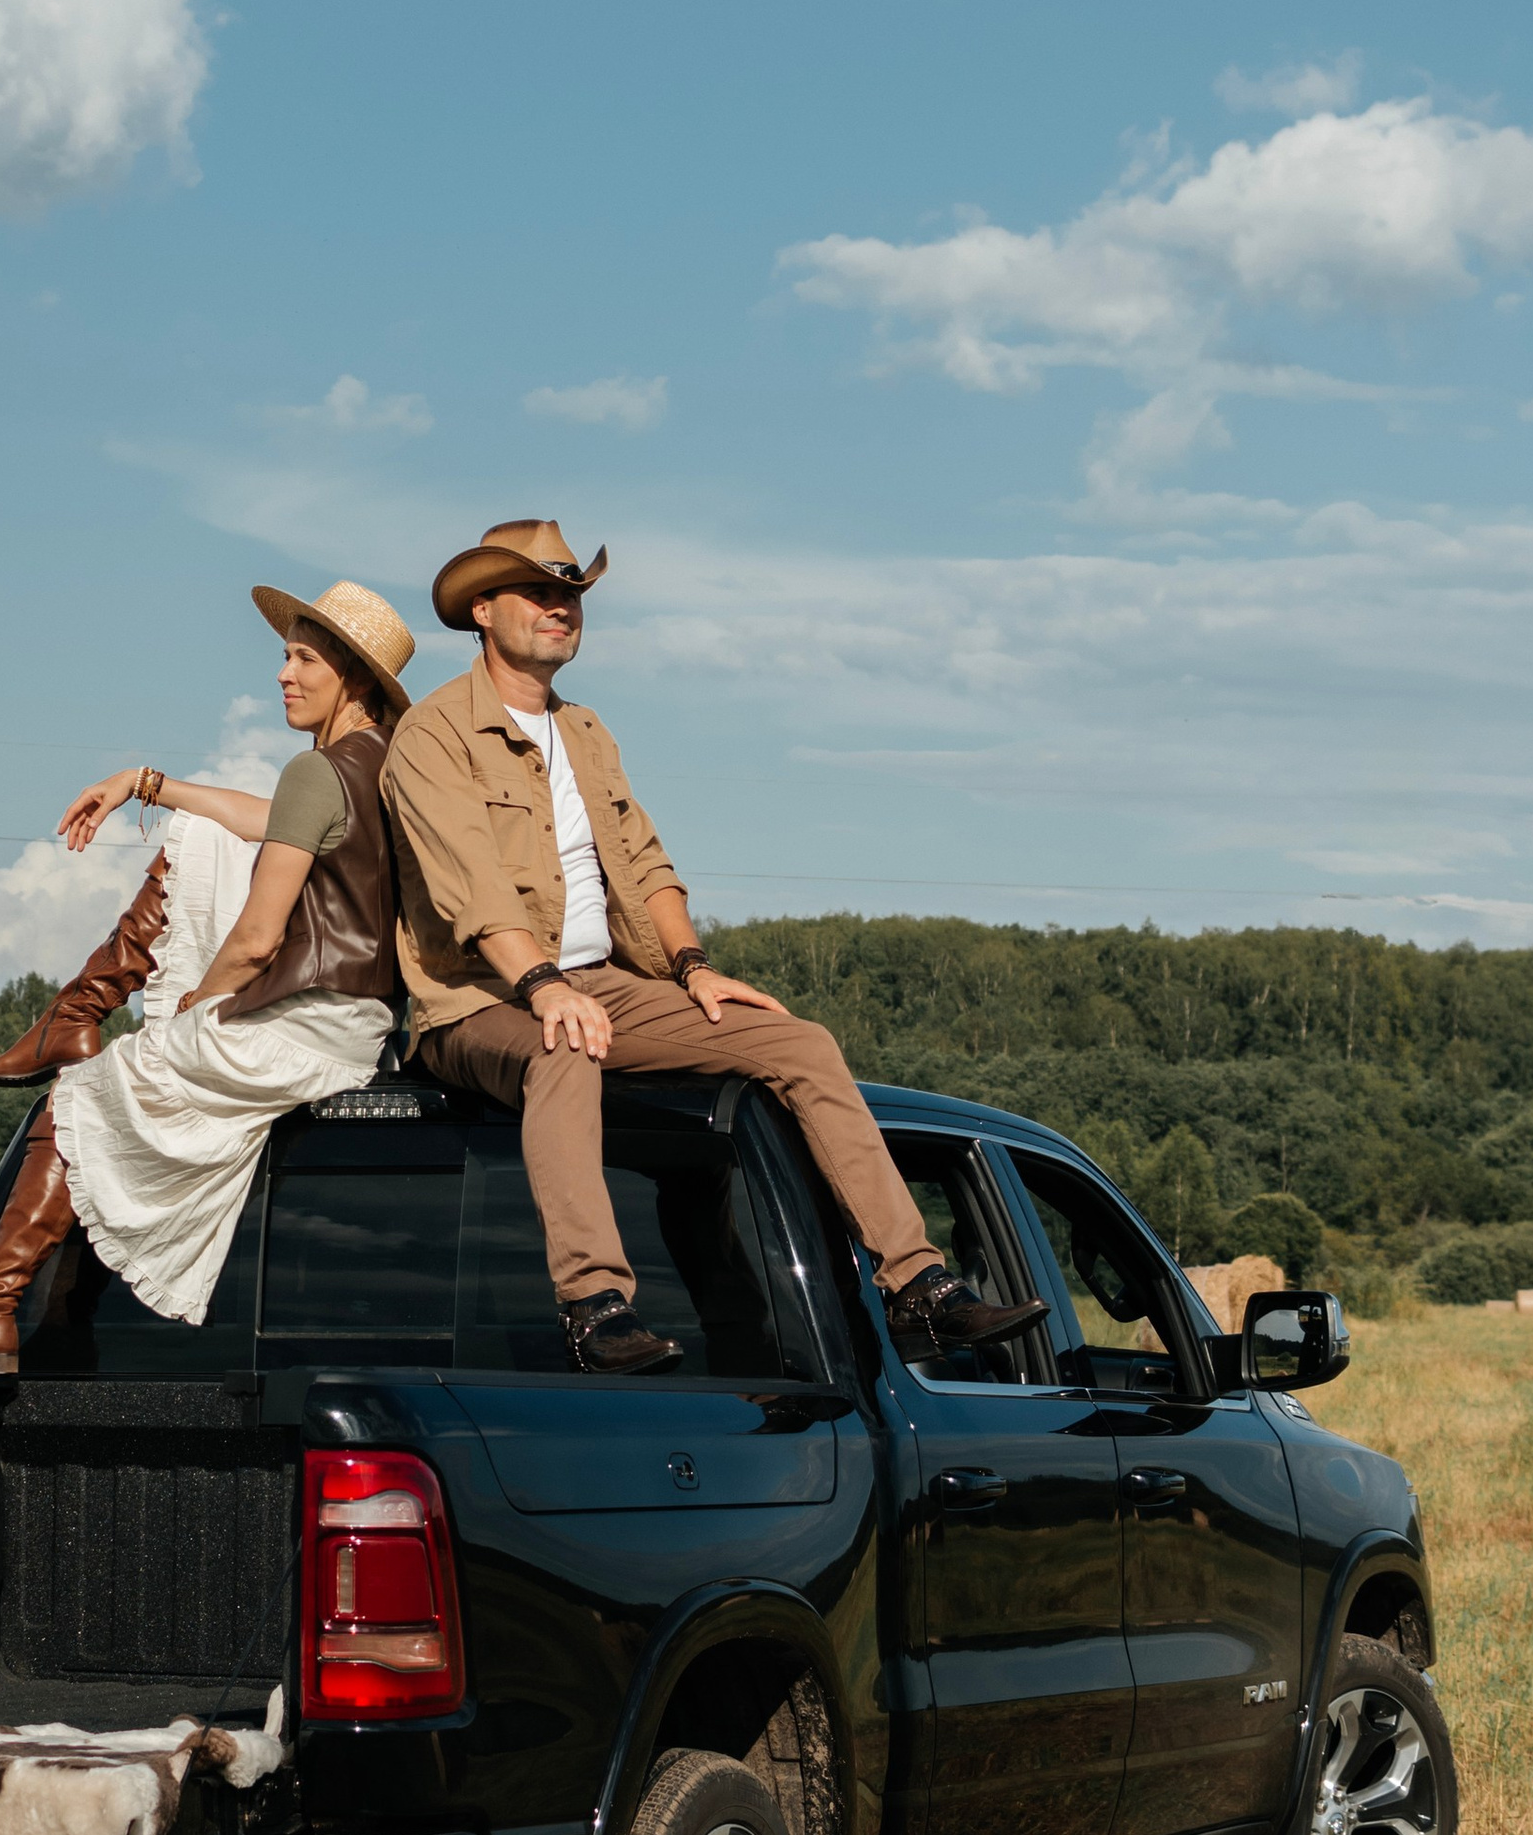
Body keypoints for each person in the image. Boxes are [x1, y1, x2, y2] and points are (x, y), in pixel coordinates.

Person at [382, 518, 1044, 1374]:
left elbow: (647, 863)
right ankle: (594, 1305)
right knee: (565, 1055)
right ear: (482, 608)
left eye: (572, 595)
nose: (561, 609)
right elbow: (471, 889)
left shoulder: (586, 732)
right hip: (481, 998)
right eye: (540, 593)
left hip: (602, 983)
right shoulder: (434, 734)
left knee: (797, 1042)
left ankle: (917, 1287)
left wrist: (693, 968)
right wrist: (545, 987)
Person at [0, 579, 414, 1374]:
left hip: (303, 1024)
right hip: (359, 1026)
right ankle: (73, 1019)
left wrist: (198, 1005)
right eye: (284, 656)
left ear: (355, 677)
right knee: (199, 838)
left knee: (81, 1093)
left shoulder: (319, 773)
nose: (282, 674)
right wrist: (147, 783)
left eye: (304, 658)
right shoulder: (381, 770)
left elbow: (259, 936)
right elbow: (261, 818)